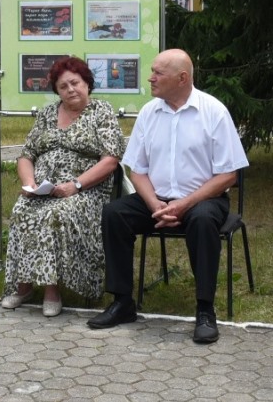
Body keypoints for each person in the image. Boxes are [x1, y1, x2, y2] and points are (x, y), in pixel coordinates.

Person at [87, 49, 249, 344]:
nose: (150, 78)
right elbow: (136, 169)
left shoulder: (213, 111)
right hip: (156, 198)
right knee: (115, 214)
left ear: (182, 78)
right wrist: (155, 205)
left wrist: (184, 204)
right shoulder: (150, 112)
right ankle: (123, 302)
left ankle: (204, 310)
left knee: (201, 221)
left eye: (158, 73)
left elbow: (229, 176)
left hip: (203, 199)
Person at [1, 56, 124, 317]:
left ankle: (51, 289)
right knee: (22, 210)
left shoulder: (102, 112)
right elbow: (26, 154)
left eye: (75, 83)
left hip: (86, 189)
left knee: (55, 215)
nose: (70, 90)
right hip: (44, 188)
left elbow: (110, 160)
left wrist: (75, 185)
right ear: (56, 91)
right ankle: (23, 285)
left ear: (87, 83)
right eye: (63, 86)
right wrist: (29, 183)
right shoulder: (48, 114)